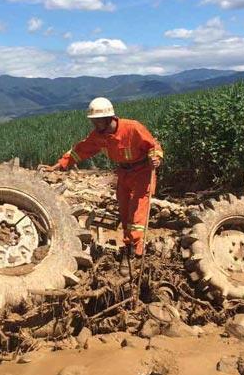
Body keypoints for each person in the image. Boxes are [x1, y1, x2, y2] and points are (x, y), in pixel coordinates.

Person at [41, 97, 163, 257]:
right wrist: (60, 164)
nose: (94, 124)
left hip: (142, 172)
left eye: (97, 121)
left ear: (108, 118)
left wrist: (156, 158)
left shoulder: (132, 128)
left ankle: (136, 249)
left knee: (138, 210)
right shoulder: (98, 136)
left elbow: (153, 146)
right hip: (124, 173)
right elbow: (81, 150)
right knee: (125, 210)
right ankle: (129, 245)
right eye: (93, 121)